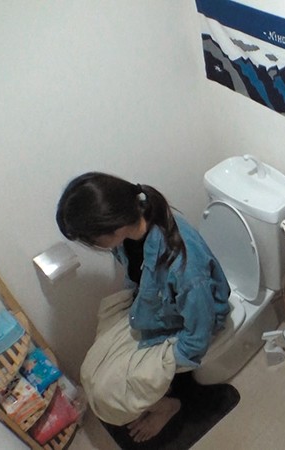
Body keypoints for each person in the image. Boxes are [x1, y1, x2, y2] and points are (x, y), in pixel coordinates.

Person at [56, 172, 230, 443]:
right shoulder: (132, 231)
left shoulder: (185, 266)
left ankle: (167, 406)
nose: (93, 246)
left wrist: (157, 371)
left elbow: (198, 334)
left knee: (108, 395)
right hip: (156, 310)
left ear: (113, 226)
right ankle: (151, 393)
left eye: (90, 239)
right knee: (89, 372)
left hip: (187, 327)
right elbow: (140, 278)